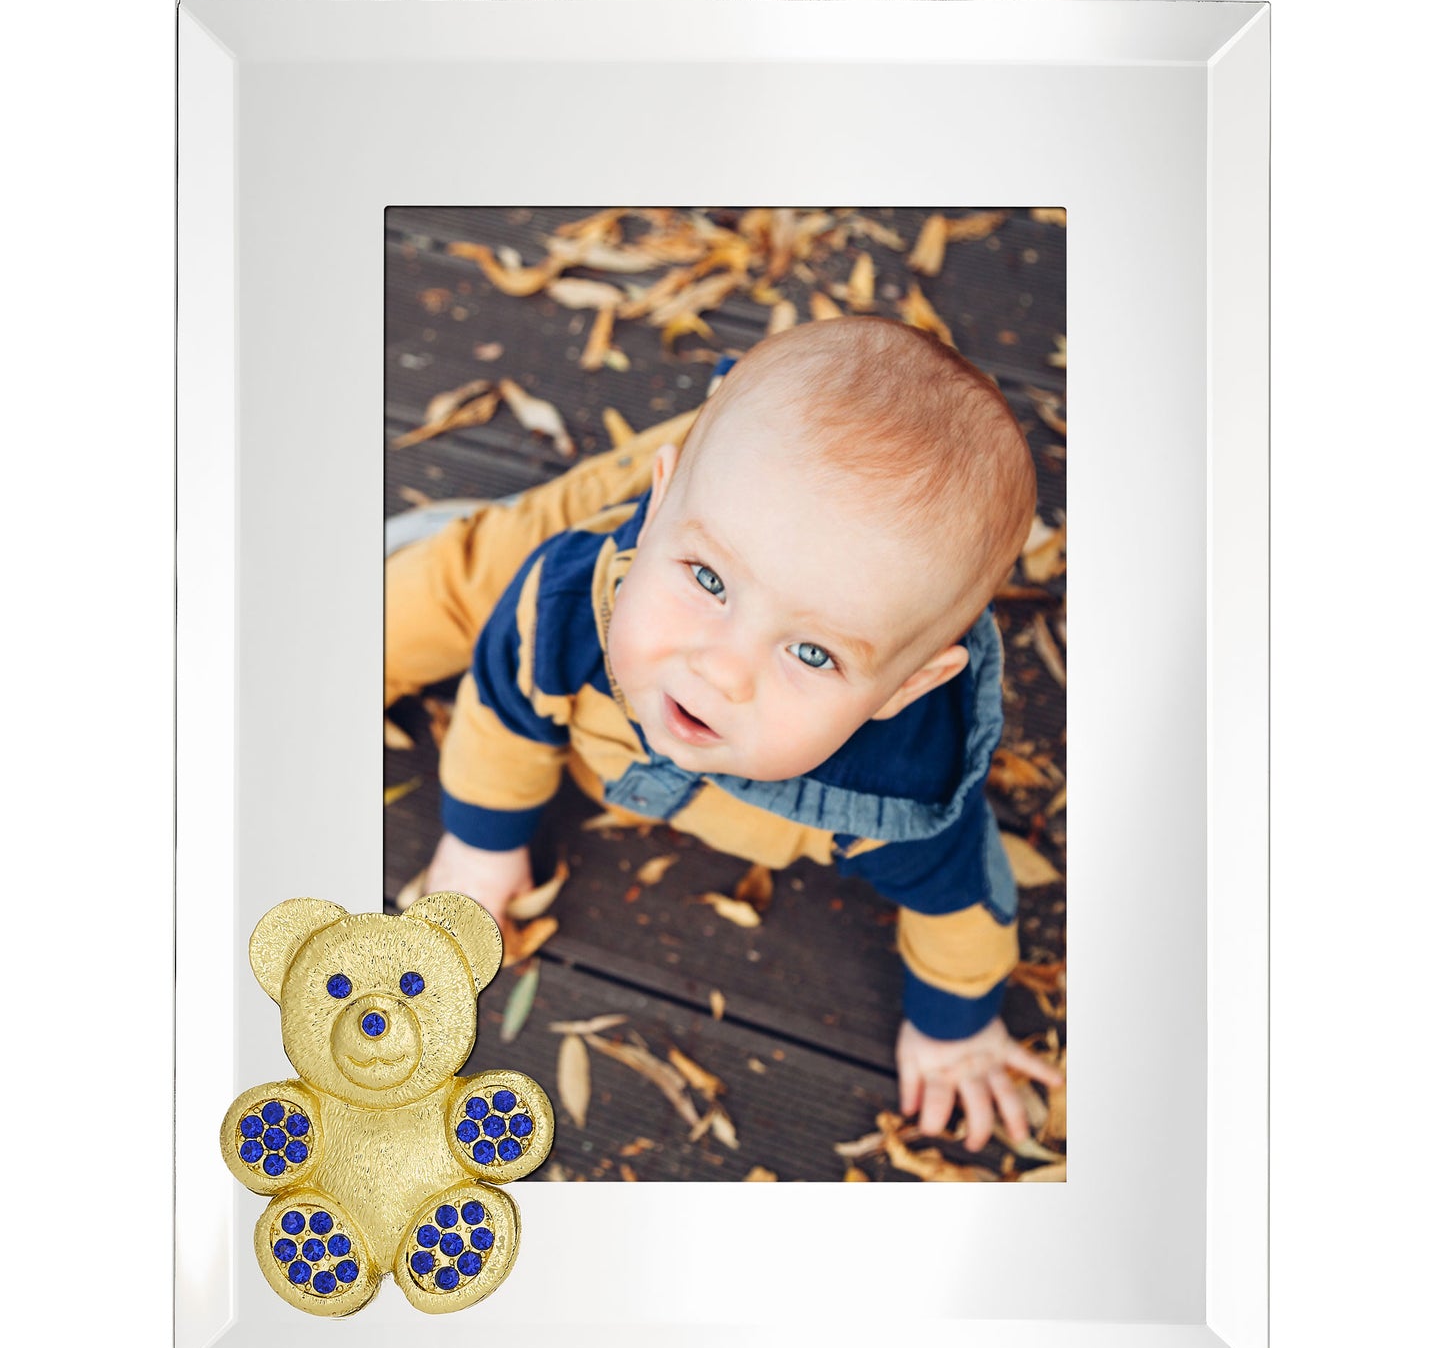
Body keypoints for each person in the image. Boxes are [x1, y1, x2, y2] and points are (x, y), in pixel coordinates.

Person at [386, 317, 1062, 1149]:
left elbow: (961, 902)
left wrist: (955, 1026)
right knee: (454, 589)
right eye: (707, 581)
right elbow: (504, 702)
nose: (721, 669)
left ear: (904, 688)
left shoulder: (898, 793)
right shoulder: (573, 599)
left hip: (723, 524)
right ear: (661, 512)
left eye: (811, 652)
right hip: (624, 533)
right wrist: (483, 842)